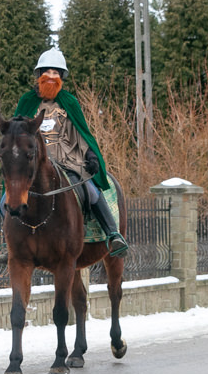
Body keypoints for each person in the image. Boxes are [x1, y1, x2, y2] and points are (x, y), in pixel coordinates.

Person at [12, 48, 128, 257]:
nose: (51, 76)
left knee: (91, 191)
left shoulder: (69, 102)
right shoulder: (27, 102)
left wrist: (90, 155)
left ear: (61, 77)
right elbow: (15, 134)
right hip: (34, 163)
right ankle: (7, 244)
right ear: (39, 75)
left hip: (68, 161)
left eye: (56, 73)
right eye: (47, 72)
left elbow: (81, 132)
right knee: (8, 194)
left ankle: (112, 234)